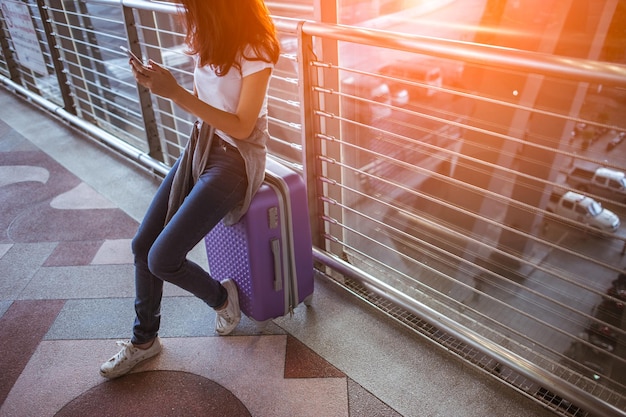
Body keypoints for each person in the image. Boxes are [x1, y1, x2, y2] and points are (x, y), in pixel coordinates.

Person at [100, 0, 280, 379]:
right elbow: (209, 106)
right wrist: (158, 81)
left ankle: (222, 299)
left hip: (235, 160)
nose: (188, 14)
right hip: (202, 146)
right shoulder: (212, 36)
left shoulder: (256, 47)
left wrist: (175, 93)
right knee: (141, 246)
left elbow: (244, 127)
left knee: (162, 257)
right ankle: (144, 341)